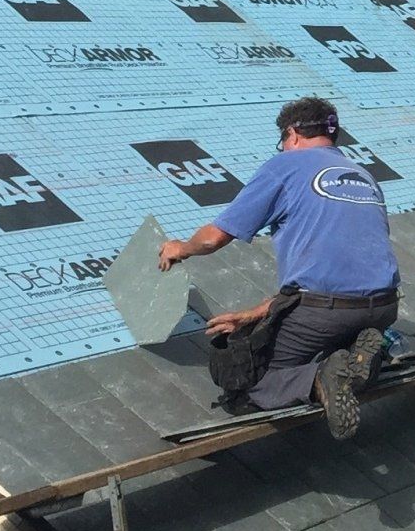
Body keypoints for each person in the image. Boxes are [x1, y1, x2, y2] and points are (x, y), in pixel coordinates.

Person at [156, 98, 400, 439]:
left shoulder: (284, 167)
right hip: (385, 307)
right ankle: (359, 360)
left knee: (248, 381)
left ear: (293, 134)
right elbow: (336, 268)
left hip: (325, 313)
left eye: (283, 140)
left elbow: (213, 239)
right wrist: (257, 313)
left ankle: (322, 377)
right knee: (333, 352)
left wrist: (180, 248)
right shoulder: (363, 175)